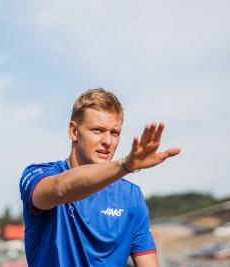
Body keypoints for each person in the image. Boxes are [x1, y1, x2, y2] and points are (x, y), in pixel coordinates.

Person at [19, 88, 180, 267]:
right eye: (97, 130)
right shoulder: (39, 175)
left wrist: (123, 168)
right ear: (74, 131)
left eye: (114, 133)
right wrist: (125, 166)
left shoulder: (131, 196)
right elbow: (61, 188)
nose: (108, 141)